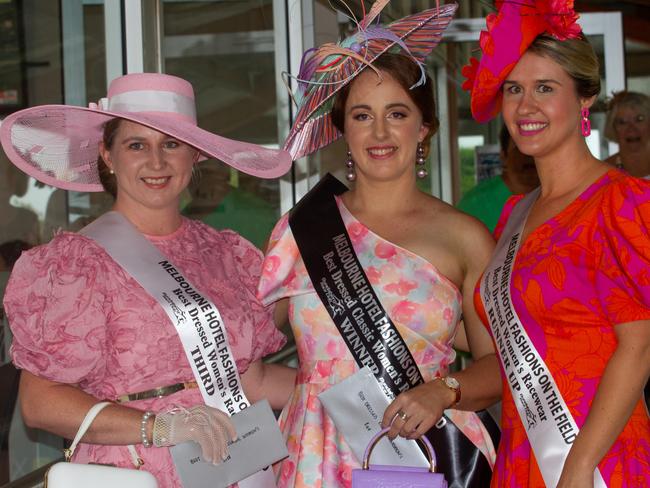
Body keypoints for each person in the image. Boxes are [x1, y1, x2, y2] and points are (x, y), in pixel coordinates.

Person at [1, 73, 295, 487]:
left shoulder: (225, 254)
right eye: (137, 145)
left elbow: (253, 381)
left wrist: (342, 388)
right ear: (107, 154)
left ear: (194, 154)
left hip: (233, 465)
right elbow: (40, 404)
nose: (156, 162)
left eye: (171, 144)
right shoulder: (77, 263)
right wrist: (158, 428)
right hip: (134, 469)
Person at [257, 3, 501, 487]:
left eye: (397, 113)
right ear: (343, 128)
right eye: (363, 115)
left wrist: (445, 390)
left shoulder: (465, 236)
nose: (381, 132)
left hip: (427, 451)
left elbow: (499, 366)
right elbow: (246, 356)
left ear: (424, 127)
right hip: (314, 453)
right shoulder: (301, 230)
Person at [462, 1, 650, 486]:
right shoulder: (515, 212)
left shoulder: (623, 203)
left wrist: (580, 465)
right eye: (514, 90)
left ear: (585, 100)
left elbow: (639, 346)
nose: (526, 107)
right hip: (522, 452)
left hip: (596, 456)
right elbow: (514, 346)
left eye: (545, 88)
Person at [457, 125, 538, 232]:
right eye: (519, 148)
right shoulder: (474, 205)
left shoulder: (560, 198)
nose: (529, 155)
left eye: (537, 149)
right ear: (503, 155)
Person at [604, 91, 650, 178]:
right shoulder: (602, 173)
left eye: (639, 119)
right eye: (622, 122)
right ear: (613, 128)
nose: (631, 129)